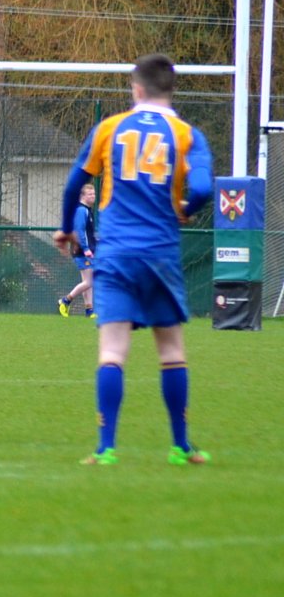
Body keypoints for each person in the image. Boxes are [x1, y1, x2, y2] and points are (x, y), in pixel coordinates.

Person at [55, 53, 213, 466]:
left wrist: (65, 228)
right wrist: (184, 207)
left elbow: (74, 184)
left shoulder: (110, 128)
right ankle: (180, 446)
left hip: (116, 254)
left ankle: (106, 448)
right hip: (160, 252)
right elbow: (203, 188)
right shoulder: (187, 135)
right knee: (171, 351)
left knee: (112, 352)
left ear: (137, 89)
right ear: (170, 89)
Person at [58, 182, 97, 317]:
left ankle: (89, 310)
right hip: (82, 251)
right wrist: (86, 248)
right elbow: (79, 231)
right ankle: (65, 301)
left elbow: (88, 233)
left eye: (94, 194)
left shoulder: (88, 210)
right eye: (90, 194)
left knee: (87, 281)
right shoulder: (82, 210)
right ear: (83, 196)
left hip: (86, 250)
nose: (93, 196)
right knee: (89, 281)